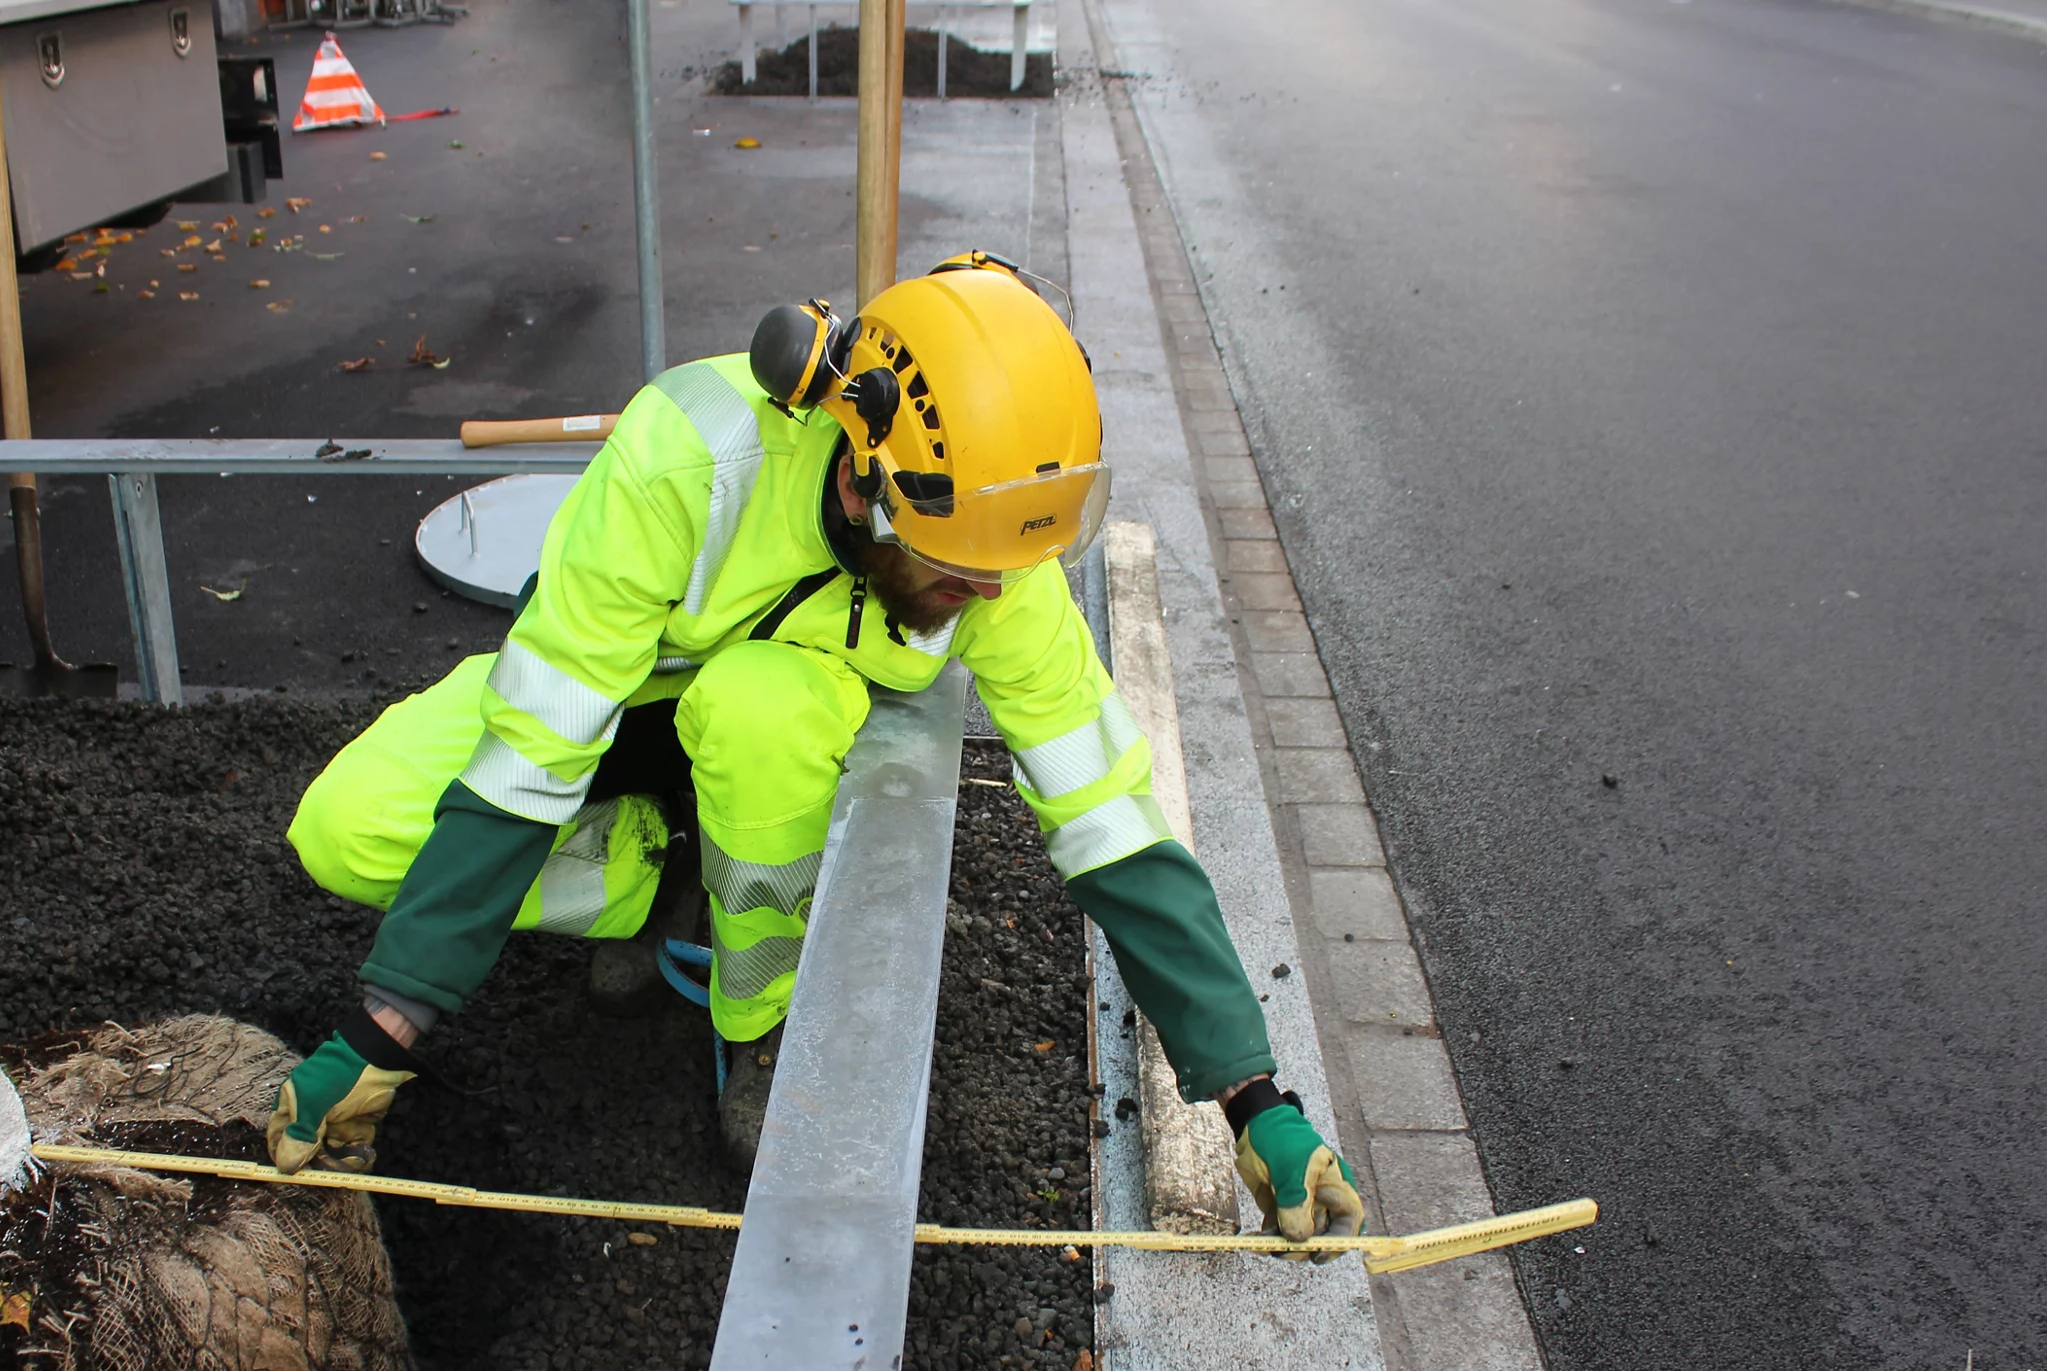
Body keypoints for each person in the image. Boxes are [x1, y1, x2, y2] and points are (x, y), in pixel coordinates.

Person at [270, 253, 1364, 1248]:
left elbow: (1109, 815)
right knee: (347, 830)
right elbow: (535, 747)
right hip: (614, 699)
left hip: (769, 731)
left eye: (1000, 567)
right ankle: (656, 877)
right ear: (862, 471)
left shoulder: (994, 541)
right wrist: (388, 1021)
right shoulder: (685, 458)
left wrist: (1249, 1093)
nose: (987, 593)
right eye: (954, 565)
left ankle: (758, 1023)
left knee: (762, 708)